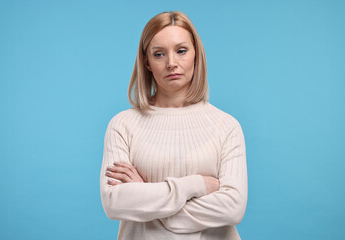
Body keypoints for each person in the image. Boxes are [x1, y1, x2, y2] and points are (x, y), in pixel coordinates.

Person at [100, 11, 248, 240]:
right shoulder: (122, 125)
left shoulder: (226, 126)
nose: (171, 63)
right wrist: (196, 185)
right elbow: (114, 203)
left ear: (196, 55)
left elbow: (232, 208)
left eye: (181, 51)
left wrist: (145, 196)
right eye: (159, 54)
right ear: (146, 62)